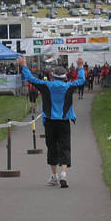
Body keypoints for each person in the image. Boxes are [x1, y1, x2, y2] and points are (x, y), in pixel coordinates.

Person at [17, 56, 85, 188]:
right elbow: (81, 80)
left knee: (52, 147)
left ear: (52, 76)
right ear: (65, 77)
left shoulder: (46, 86)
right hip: (64, 121)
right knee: (65, 146)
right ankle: (63, 174)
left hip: (49, 121)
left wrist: (24, 65)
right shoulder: (69, 86)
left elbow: (30, 79)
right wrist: (80, 67)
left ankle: (54, 176)